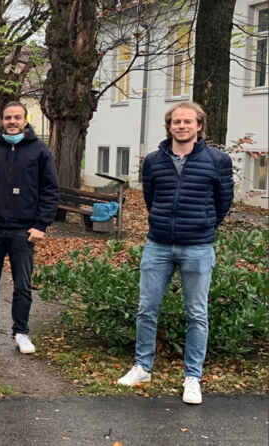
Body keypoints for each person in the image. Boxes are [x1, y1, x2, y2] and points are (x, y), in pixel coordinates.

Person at [116, 102, 233, 405]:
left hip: (198, 247)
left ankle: (192, 377)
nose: (181, 126)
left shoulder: (217, 160)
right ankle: (143, 367)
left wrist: (204, 225)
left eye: (187, 122)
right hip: (158, 245)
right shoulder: (154, 160)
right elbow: (150, 198)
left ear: (199, 126)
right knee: (146, 309)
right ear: (168, 126)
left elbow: (223, 202)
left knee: (196, 314)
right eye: (176, 122)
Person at [0, 101, 60, 355]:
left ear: (26, 120)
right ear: (2, 121)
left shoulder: (40, 151)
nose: (12, 121)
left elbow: (50, 190)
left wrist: (41, 224)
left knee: (22, 284)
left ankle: (21, 332)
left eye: (17, 117)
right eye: (8, 117)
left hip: (24, 230)